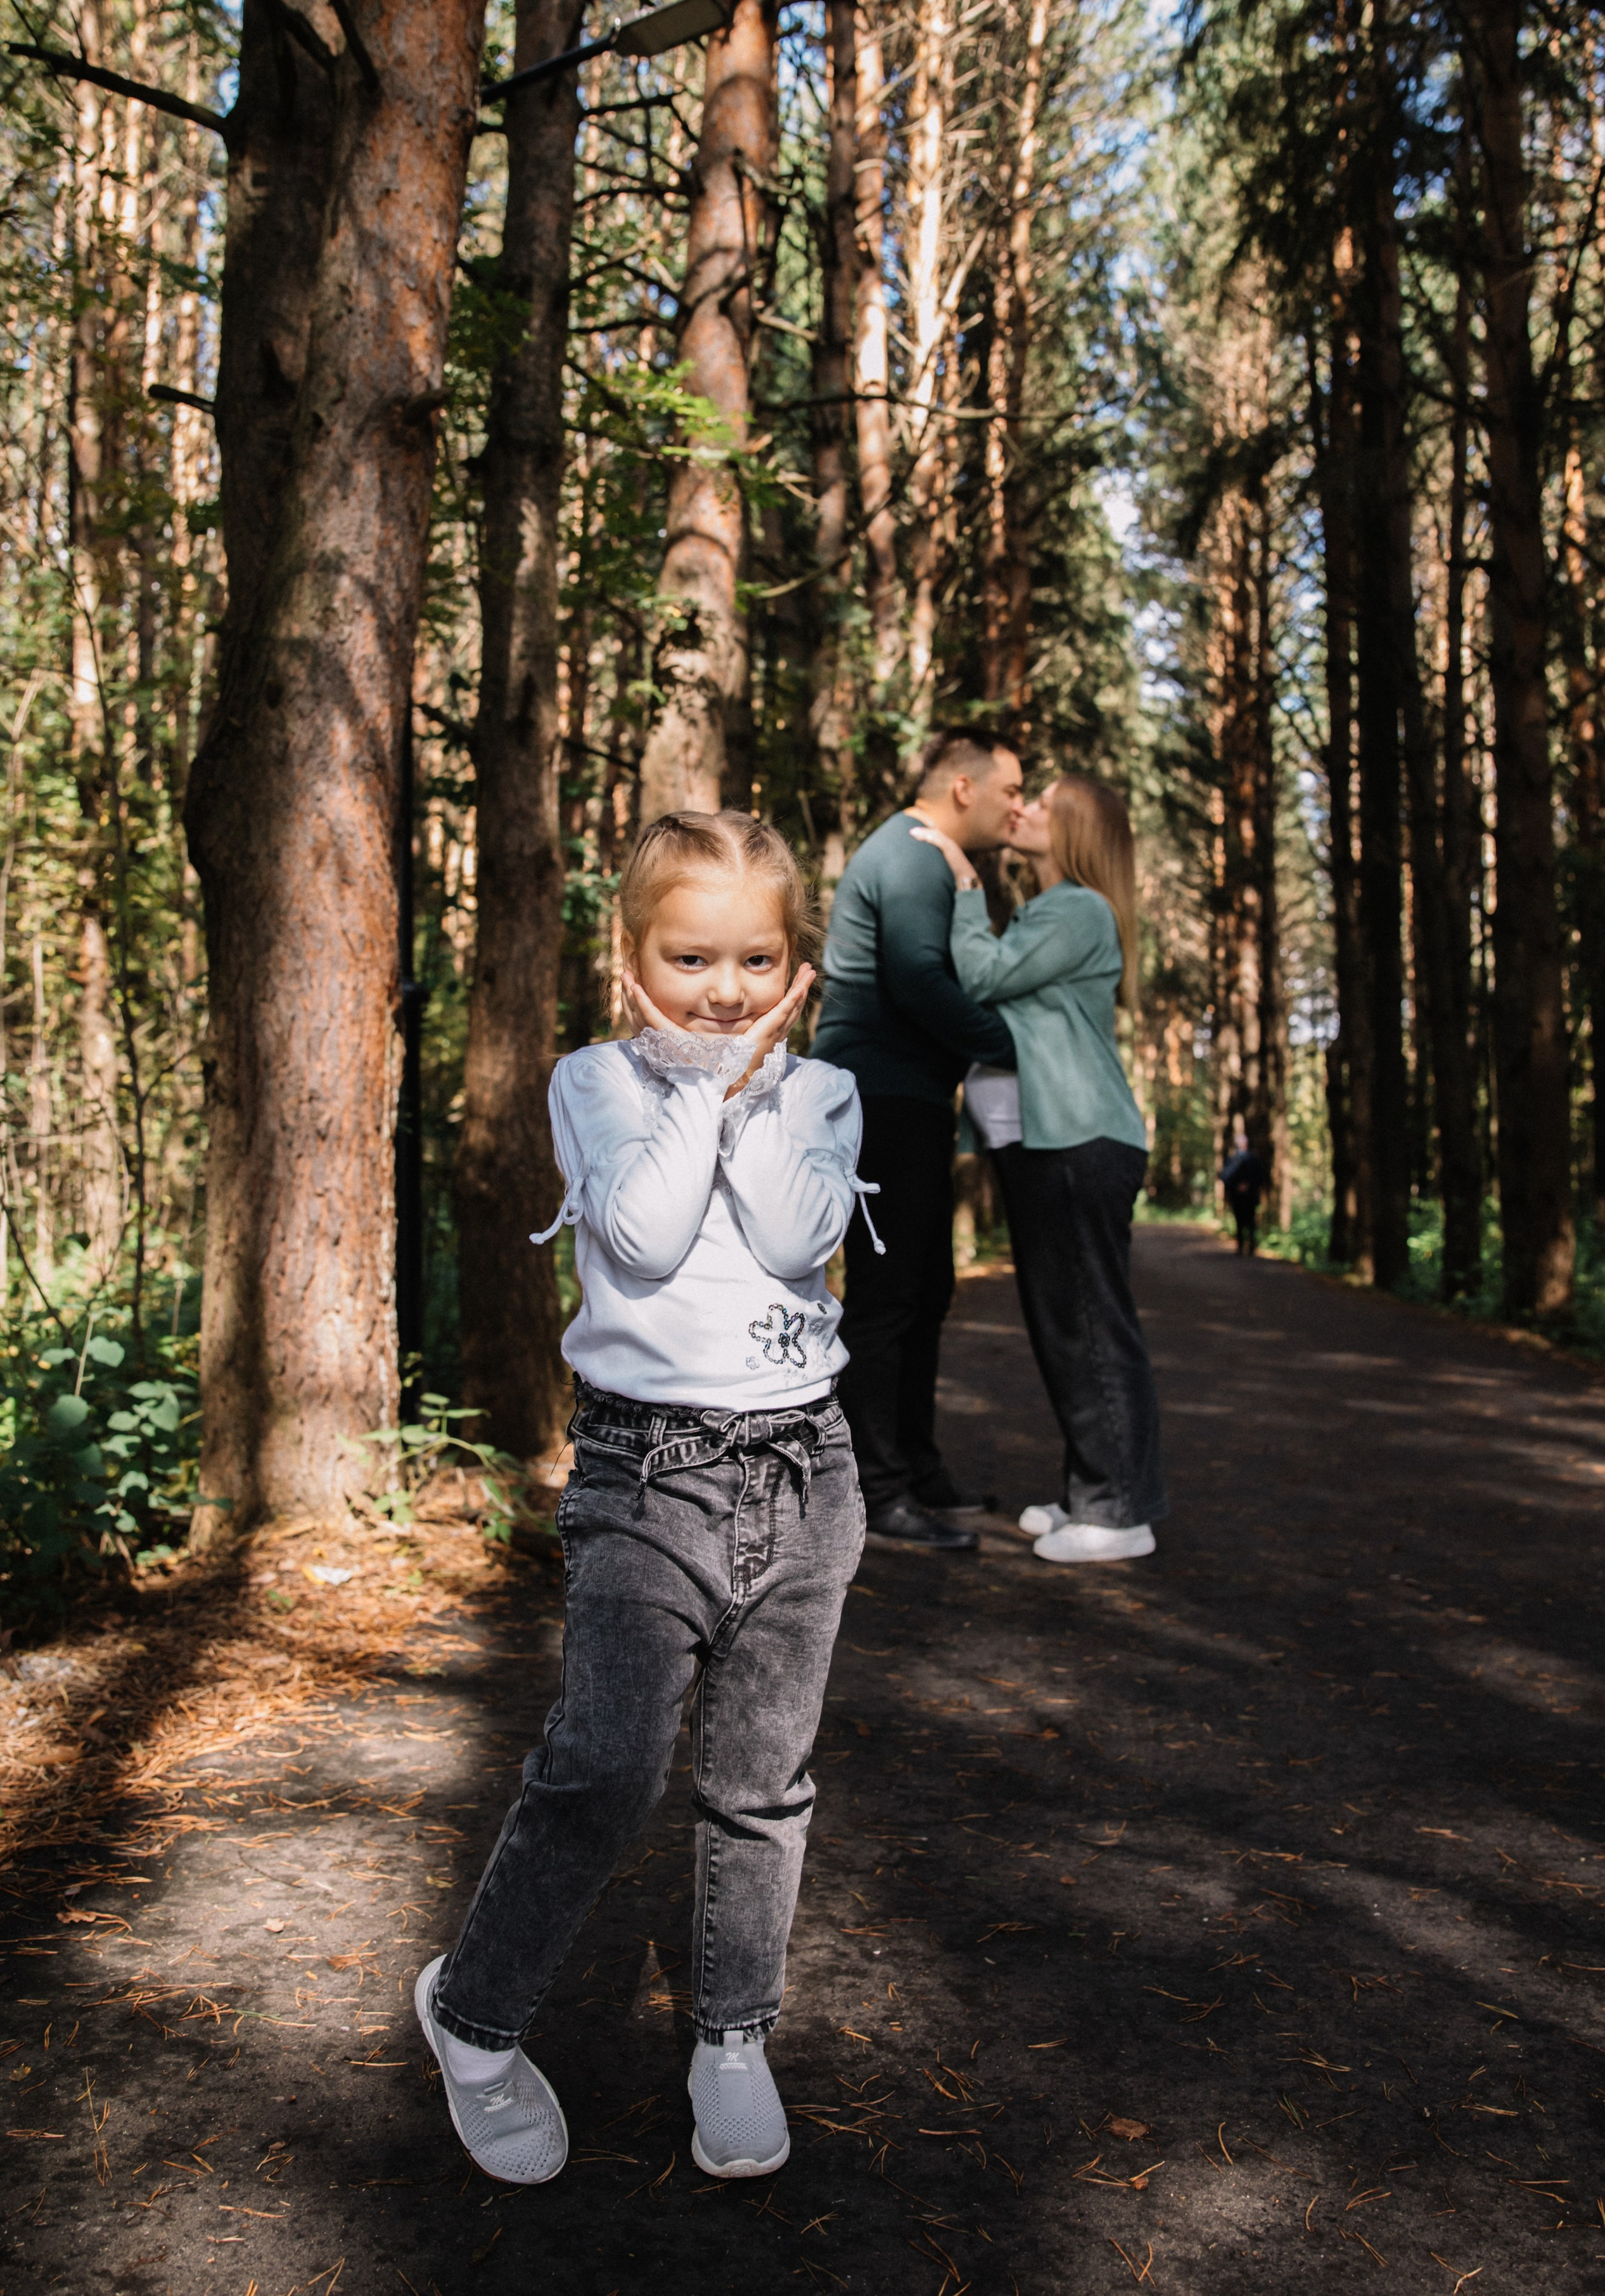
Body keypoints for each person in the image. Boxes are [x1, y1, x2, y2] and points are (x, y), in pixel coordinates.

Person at [417, 811, 871, 2188]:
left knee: (761, 1785)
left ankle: (731, 2036)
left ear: (795, 966)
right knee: (606, 1767)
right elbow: (647, 1233)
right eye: (689, 960)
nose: (724, 991)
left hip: (805, 1474)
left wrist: (753, 1087)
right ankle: (473, 2018)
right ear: (631, 958)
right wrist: (699, 1086)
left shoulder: (823, 1093)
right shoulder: (596, 1082)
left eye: (756, 961)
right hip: (643, 1473)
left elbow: (795, 1234)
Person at [912, 774, 1167, 1565]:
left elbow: (983, 978)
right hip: (1046, 1142)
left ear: (1076, 832)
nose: (1021, 808)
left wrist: (965, 887)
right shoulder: (1052, 909)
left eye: (1043, 806)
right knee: (1065, 1322)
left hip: (1077, 1139)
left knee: (1088, 1321)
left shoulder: (1079, 909)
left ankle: (1118, 1512)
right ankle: (1094, 1490)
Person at [811, 729, 1024, 1549]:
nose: (1017, 808)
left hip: (912, 1098)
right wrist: (1014, 1045)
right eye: (1010, 790)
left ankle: (916, 1466)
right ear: (964, 788)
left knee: (926, 1290)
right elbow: (918, 980)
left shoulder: (928, 857)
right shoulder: (908, 855)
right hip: (881, 1099)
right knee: (889, 1295)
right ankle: (873, 1487)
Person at [1221, 1139, 1269, 1254]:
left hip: (1250, 1196)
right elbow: (1225, 1176)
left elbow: (1261, 1176)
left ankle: (1250, 1246)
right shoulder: (1233, 1160)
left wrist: (1249, 1185)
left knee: (1250, 1221)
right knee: (1240, 1220)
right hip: (1238, 1196)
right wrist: (1237, 1186)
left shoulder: (1253, 1159)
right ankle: (1242, 1246)